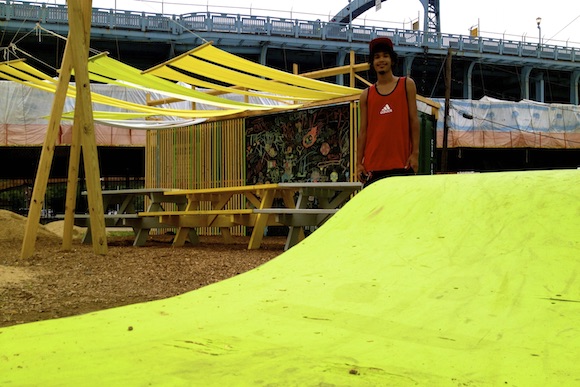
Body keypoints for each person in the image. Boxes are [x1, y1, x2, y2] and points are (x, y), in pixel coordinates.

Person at [356, 37, 420, 187]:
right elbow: (363, 132)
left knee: (403, 210)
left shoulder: (407, 85)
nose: (381, 60)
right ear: (372, 63)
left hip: (402, 165)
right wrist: (359, 163)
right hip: (373, 169)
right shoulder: (366, 95)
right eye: (377, 57)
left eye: (385, 55)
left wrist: (415, 154)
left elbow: (414, 121)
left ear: (392, 59)